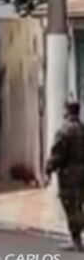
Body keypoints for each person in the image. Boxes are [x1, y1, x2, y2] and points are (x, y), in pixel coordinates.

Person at [45, 101, 84, 251]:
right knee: (78, 204)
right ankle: (77, 237)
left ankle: (76, 239)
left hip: (69, 175)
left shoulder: (64, 132)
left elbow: (57, 155)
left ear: (67, 112)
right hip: (81, 173)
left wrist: (48, 169)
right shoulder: (82, 129)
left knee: (70, 206)